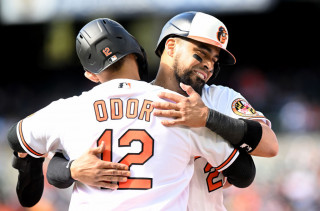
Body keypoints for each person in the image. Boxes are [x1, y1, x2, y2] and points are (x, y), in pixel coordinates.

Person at [7, 17, 255, 210]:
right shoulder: (176, 108)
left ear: (91, 75)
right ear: (139, 53)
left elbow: (18, 137)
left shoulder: (70, 110)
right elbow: (244, 172)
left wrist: (64, 168)